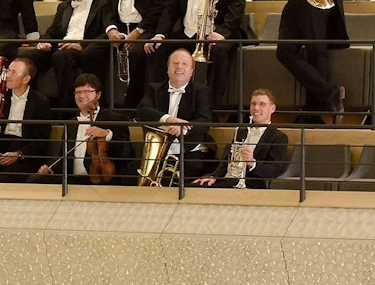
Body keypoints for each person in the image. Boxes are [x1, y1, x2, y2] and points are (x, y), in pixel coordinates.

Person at [162, 0, 250, 118]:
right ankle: (164, 109)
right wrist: (159, 34)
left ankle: (211, 111)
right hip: (189, 31)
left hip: (220, 31)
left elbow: (237, 5)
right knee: (158, 49)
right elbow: (172, 7)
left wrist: (223, 32)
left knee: (219, 51)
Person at [24, 0, 110, 109]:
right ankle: (32, 107)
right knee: (29, 57)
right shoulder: (64, 6)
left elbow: (105, 34)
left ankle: (67, 109)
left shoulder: (103, 5)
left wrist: (82, 45)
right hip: (61, 47)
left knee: (61, 56)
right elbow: (53, 32)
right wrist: (43, 42)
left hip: (84, 50)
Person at [105, 0, 170, 109]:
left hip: (146, 28)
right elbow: (108, 7)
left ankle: (136, 107)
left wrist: (138, 31)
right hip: (119, 29)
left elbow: (160, 5)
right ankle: (103, 107)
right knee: (92, 52)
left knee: (138, 52)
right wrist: (111, 29)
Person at [135, 47, 216, 182]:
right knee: (132, 174)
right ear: (167, 69)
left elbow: (205, 120)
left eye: (184, 64)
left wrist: (183, 128)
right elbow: (143, 109)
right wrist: (169, 120)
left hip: (189, 153)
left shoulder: (201, 91)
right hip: (157, 153)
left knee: (187, 181)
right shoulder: (154, 89)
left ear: (191, 71)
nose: (179, 67)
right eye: (175, 63)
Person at [195, 88, 291, 188]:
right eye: (253, 104)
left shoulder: (278, 137)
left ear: (272, 108)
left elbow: (274, 171)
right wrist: (213, 177)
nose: (256, 108)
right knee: (194, 185)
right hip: (229, 181)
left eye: (262, 104)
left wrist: (252, 163)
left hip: (250, 184)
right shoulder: (241, 131)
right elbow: (227, 162)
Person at [53, 74, 131, 185]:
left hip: (101, 179)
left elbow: (126, 152)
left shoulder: (114, 119)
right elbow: (63, 158)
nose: (81, 96)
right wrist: (51, 170)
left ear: (98, 94)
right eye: (78, 92)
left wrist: (107, 134)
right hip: (71, 181)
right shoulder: (70, 124)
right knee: (37, 179)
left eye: (87, 92)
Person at [0, 56, 53, 181]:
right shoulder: (0, 97)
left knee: (1, 180)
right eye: (8, 71)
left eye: (13, 73)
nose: (7, 75)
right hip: (0, 149)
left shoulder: (40, 102)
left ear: (26, 79)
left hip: (24, 155)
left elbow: (41, 139)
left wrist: (19, 154)